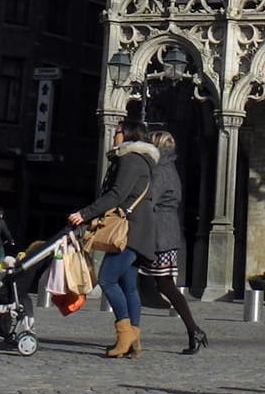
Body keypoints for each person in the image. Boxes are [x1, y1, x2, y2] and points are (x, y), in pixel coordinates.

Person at [68, 123, 159, 359]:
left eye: (117, 132)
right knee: (129, 285)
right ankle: (133, 337)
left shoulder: (131, 159)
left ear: (127, 135)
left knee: (107, 279)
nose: (114, 136)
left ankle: (125, 334)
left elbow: (116, 194)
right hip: (141, 230)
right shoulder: (145, 161)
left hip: (129, 231)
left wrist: (85, 214)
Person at [140, 129, 209, 355]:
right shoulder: (171, 168)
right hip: (168, 232)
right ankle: (193, 330)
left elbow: (150, 200)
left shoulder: (160, 170)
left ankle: (193, 329)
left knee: (164, 284)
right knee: (164, 284)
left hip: (159, 234)